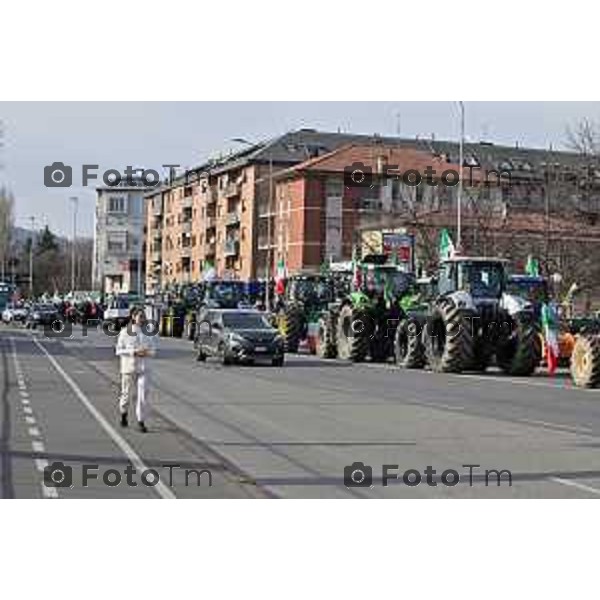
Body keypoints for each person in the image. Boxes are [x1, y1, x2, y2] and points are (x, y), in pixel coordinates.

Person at [115, 307, 156, 433]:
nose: (142, 318)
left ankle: (141, 421)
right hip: (129, 367)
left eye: (143, 316)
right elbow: (118, 350)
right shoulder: (125, 332)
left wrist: (147, 352)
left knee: (143, 395)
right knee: (126, 394)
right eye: (140, 316)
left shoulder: (147, 332)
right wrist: (133, 352)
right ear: (133, 317)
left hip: (143, 368)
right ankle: (124, 413)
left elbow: (153, 350)